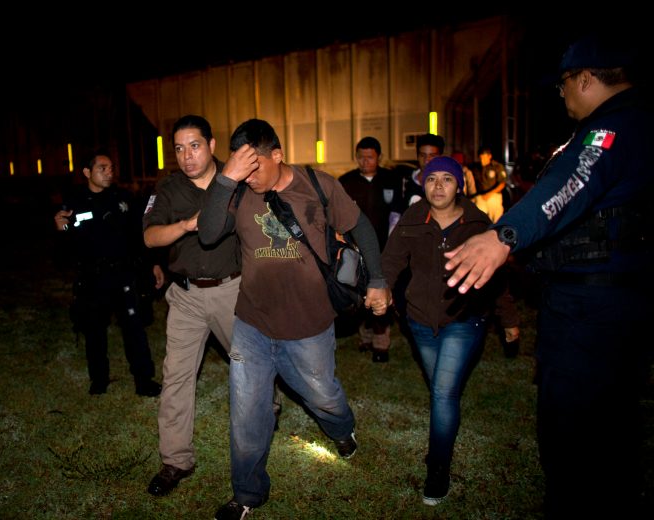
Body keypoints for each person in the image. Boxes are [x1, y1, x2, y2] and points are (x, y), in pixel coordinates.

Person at [443, 36, 651, 518]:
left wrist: (503, 237)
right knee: (612, 425)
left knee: (575, 433)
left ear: (585, 78)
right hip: (606, 303)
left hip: (592, 311)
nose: (561, 94)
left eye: (563, 84)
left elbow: (572, 183)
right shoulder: (633, 122)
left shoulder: (612, 129)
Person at [198, 118, 391, 519]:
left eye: (256, 168)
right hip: (252, 322)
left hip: (309, 325)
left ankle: (342, 430)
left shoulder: (317, 185)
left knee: (322, 395)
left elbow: (362, 228)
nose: (249, 178)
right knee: (247, 410)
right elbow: (208, 232)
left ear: (278, 155)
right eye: (241, 168)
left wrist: (377, 279)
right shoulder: (236, 191)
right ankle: (248, 493)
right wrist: (225, 180)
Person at [381, 156, 519, 506]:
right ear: (422, 184)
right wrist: (380, 288)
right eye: (431, 179)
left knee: (442, 394)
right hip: (420, 321)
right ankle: (445, 434)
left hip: (464, 318)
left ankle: (438, 468)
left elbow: (498, 276)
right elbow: (392, 261)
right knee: (441, 388)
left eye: (446, 179)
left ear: (459, 185)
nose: (438, 186)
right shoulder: (413, 218)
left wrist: (509, 319)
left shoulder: (478, 223)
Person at [142, 115, 243, 497]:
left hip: (231, 291)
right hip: (184, 295)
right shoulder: (168, 190)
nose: (187, 156)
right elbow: (150, 237)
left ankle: (268, 410)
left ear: (212, 145)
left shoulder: (236, 184)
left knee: (250, 364)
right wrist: (185, 226)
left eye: (195, 145)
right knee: (177, 377)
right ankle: (175, 461)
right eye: (179, 149)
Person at [53, 149, 162, 397]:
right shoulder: (75, 202)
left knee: (134, 329)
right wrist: (60, 230)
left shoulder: (123, 198)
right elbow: (65, 245)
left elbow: (139, 235)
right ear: (87, 172)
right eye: (102, 168)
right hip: (92, 278)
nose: (109, 172)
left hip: (123, 275)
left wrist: (153, 263)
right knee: (94, 331)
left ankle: (144, 380)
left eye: (111, 168)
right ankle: (99, 379)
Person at [338, 136, 399, 362]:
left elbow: (397, 215)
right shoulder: (346, 182)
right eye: (361, 157)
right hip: (355, 249)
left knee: (381, 292)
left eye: (370, 157)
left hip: (385, 248)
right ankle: (364, 336)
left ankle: (381, 343)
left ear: (379, 157)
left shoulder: (391, 180)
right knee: (359, 293)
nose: (365, 162)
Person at [468, 146, 507, 223]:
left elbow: (502, 184)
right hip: (481, 197)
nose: (482, 160)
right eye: (481, 158)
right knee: (478, 220)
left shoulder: (497, 167)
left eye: (484, 158)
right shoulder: (476, 167)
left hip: (494, 196)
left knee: (496, 221)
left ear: (489, 156)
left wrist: (489, 194)